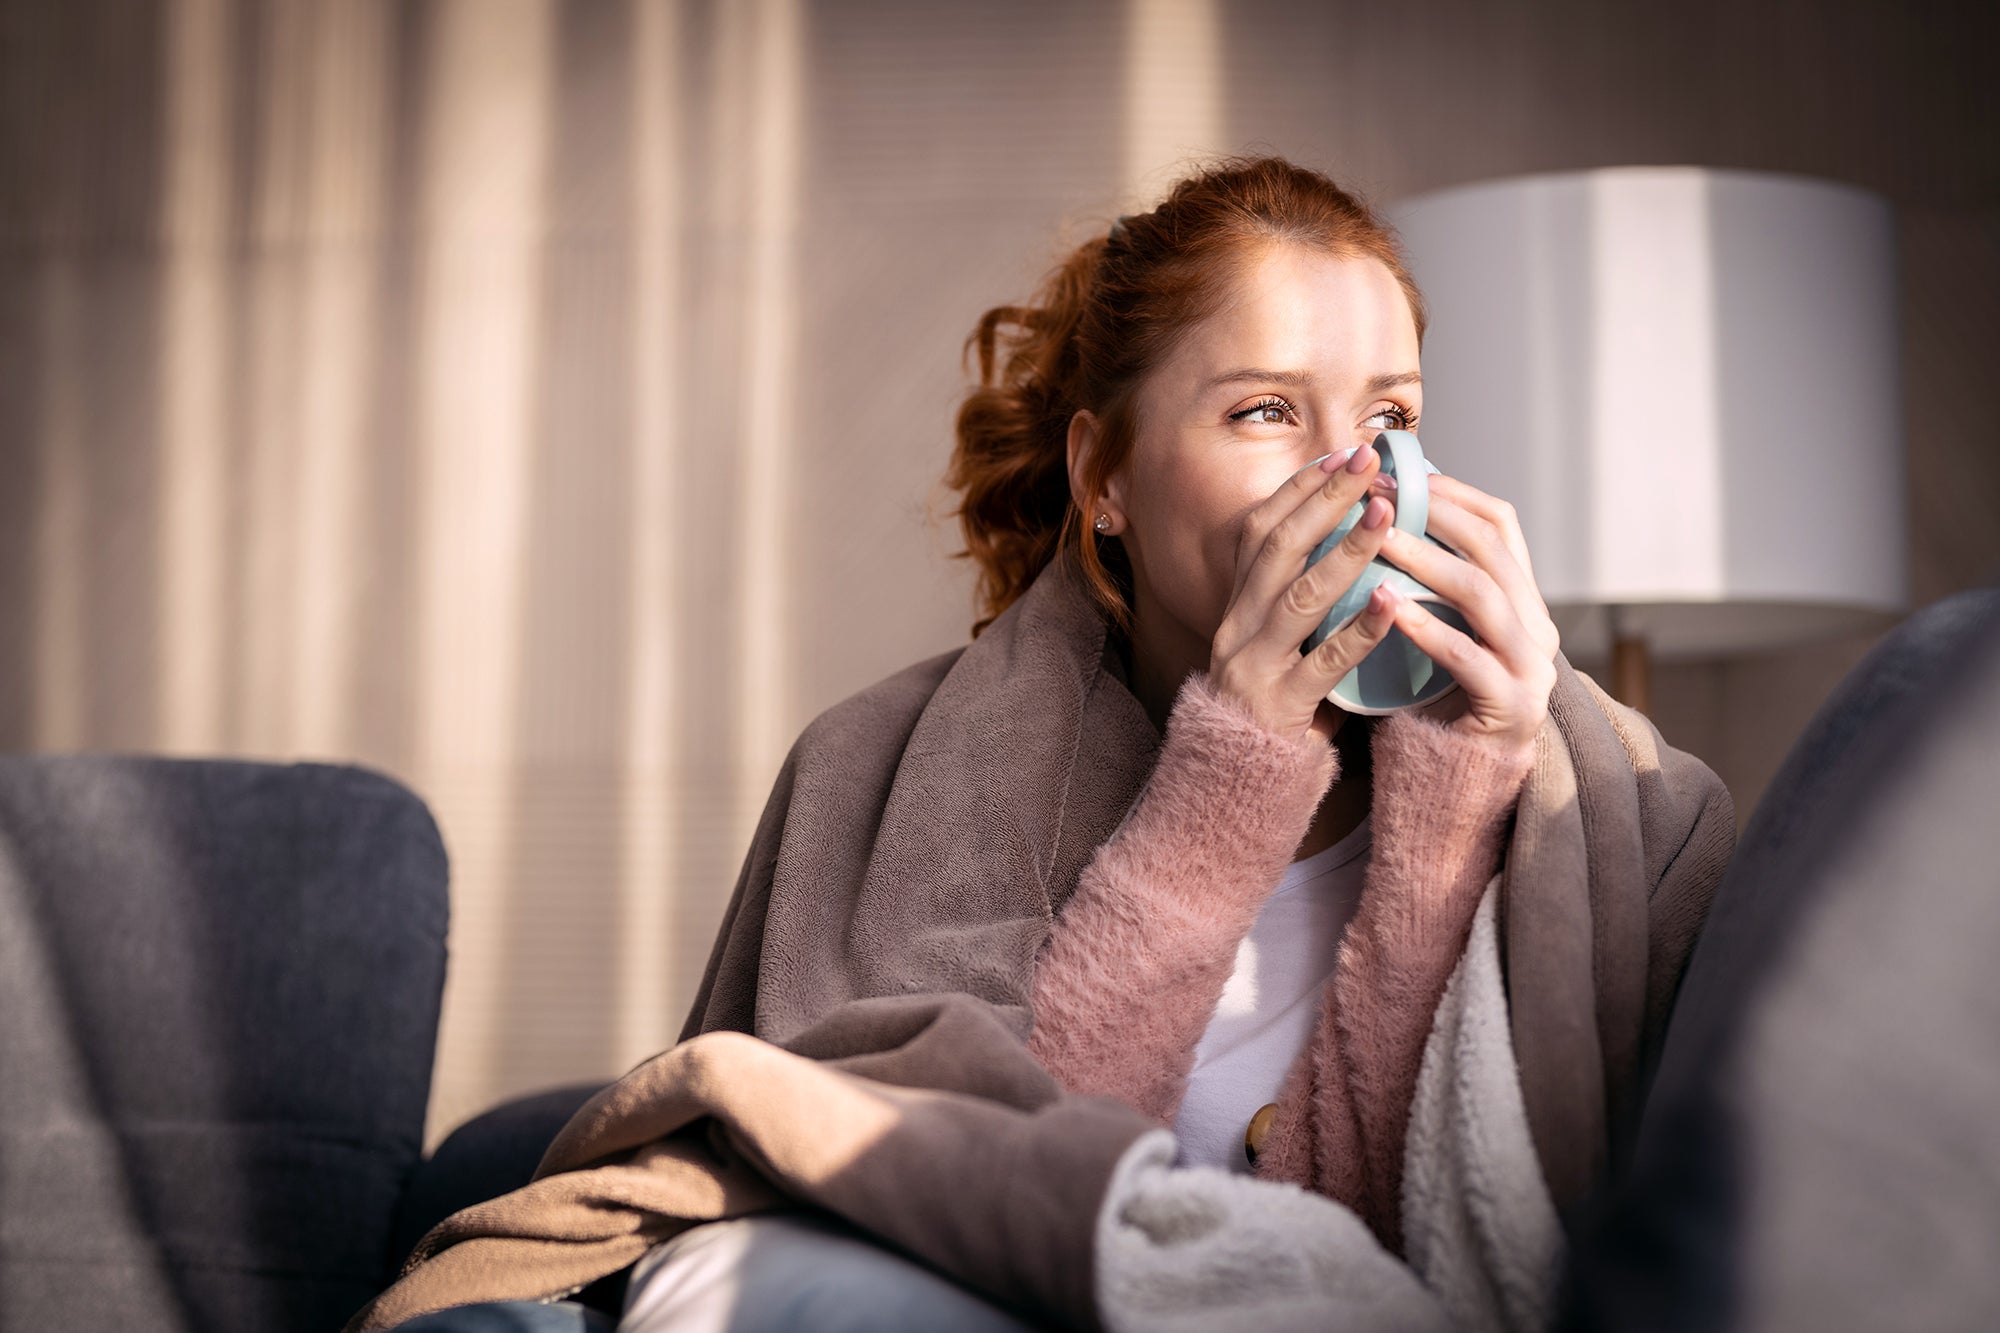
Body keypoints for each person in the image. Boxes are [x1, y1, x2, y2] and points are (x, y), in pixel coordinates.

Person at [369, 154, 1734, 1333]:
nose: (1360, 475)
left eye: (1390, 417)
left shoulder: (1571, 796)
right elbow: (987, 1206)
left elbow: (1418, 1263)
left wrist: (1456, 790)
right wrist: (1234, 772)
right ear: (1106, 478)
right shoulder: (885, 763)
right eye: (1267, 410)